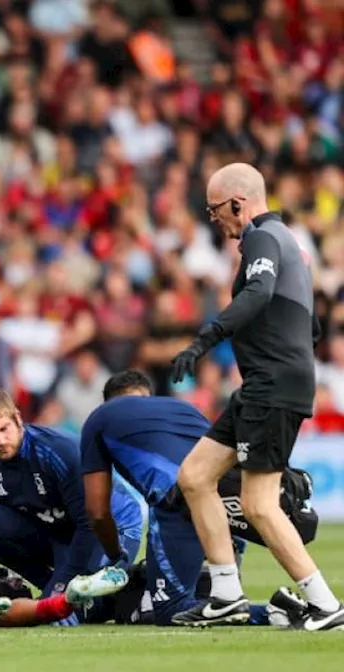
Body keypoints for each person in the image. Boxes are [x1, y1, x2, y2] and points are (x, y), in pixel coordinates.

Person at [169, 162, 344, 630]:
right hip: (266, 384)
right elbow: (310, 325)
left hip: (271, 385)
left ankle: (326, 604)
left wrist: (206, 338)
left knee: (259, 503)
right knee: (195, 475)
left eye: (215, 211)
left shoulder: (262, 238)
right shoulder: (292, 244)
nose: (215, 220)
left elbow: (261, 292)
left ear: (237, 204)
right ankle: (226, 593)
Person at [78, 370, 310, 627]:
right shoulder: (181, 407)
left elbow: (98, 511)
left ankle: (272, 612)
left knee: (170, 610)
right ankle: (275, 605)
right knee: (214, 598)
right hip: (224, 503)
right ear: (148, 395)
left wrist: (116, 559)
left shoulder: (99, 418)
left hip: (178, 501)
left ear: (108, 401)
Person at [0, 387, 143, 606]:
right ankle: (48, 587)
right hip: (63, 533)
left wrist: (62, 584)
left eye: (4, 429)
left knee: (93, 605)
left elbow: (89, 522)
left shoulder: (58, 451)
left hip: (110, 528)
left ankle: (140, 581)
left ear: (17, 418)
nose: (0, 440)